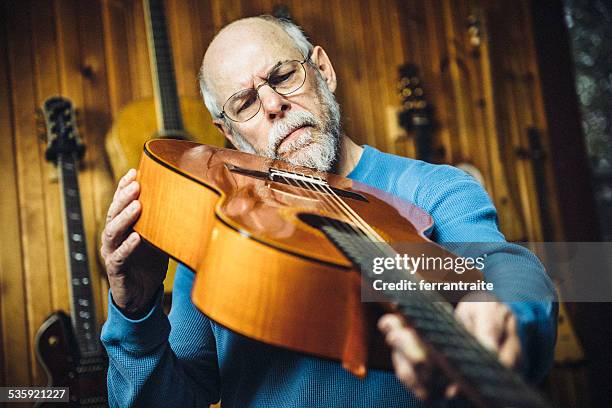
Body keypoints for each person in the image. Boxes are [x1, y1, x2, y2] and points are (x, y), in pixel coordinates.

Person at [99, 15, 557, 407]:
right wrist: (135, 313)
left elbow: (502, 263)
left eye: (283, 77)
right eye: (245, 104)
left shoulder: (435, 188)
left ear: (323, 70)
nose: (274, 105)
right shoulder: (219, 233)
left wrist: (501, 305)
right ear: (228, 132)